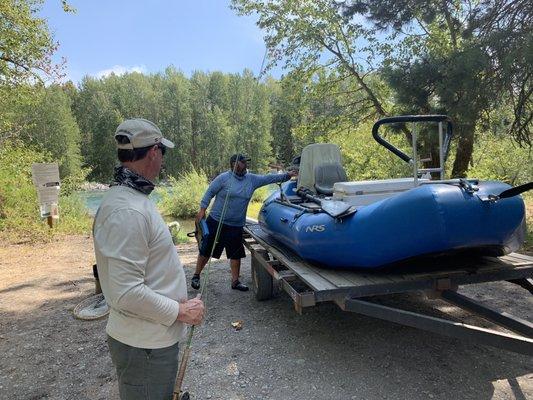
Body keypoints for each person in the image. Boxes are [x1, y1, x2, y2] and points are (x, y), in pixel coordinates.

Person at [93, 118, 205, 400]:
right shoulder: (128, 211)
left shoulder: (130, 200)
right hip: (144, 346)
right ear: (154, 151)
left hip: (149, 342)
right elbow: (125, 293)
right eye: (163, 153)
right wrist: (181, 312)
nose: (163, 160)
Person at [191, 154, 298, 291]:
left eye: (245, 162)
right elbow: (209, 193)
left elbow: (269, 178)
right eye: (242, 162)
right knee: (206, 250)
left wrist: (287, 175)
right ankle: (196, 275)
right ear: (234, 164)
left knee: (235, 253)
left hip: (236, 224)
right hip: (217, 221)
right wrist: (202, 210)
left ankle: (235, 282)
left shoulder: (251, 179)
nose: (245, 165)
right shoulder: (223, 178)